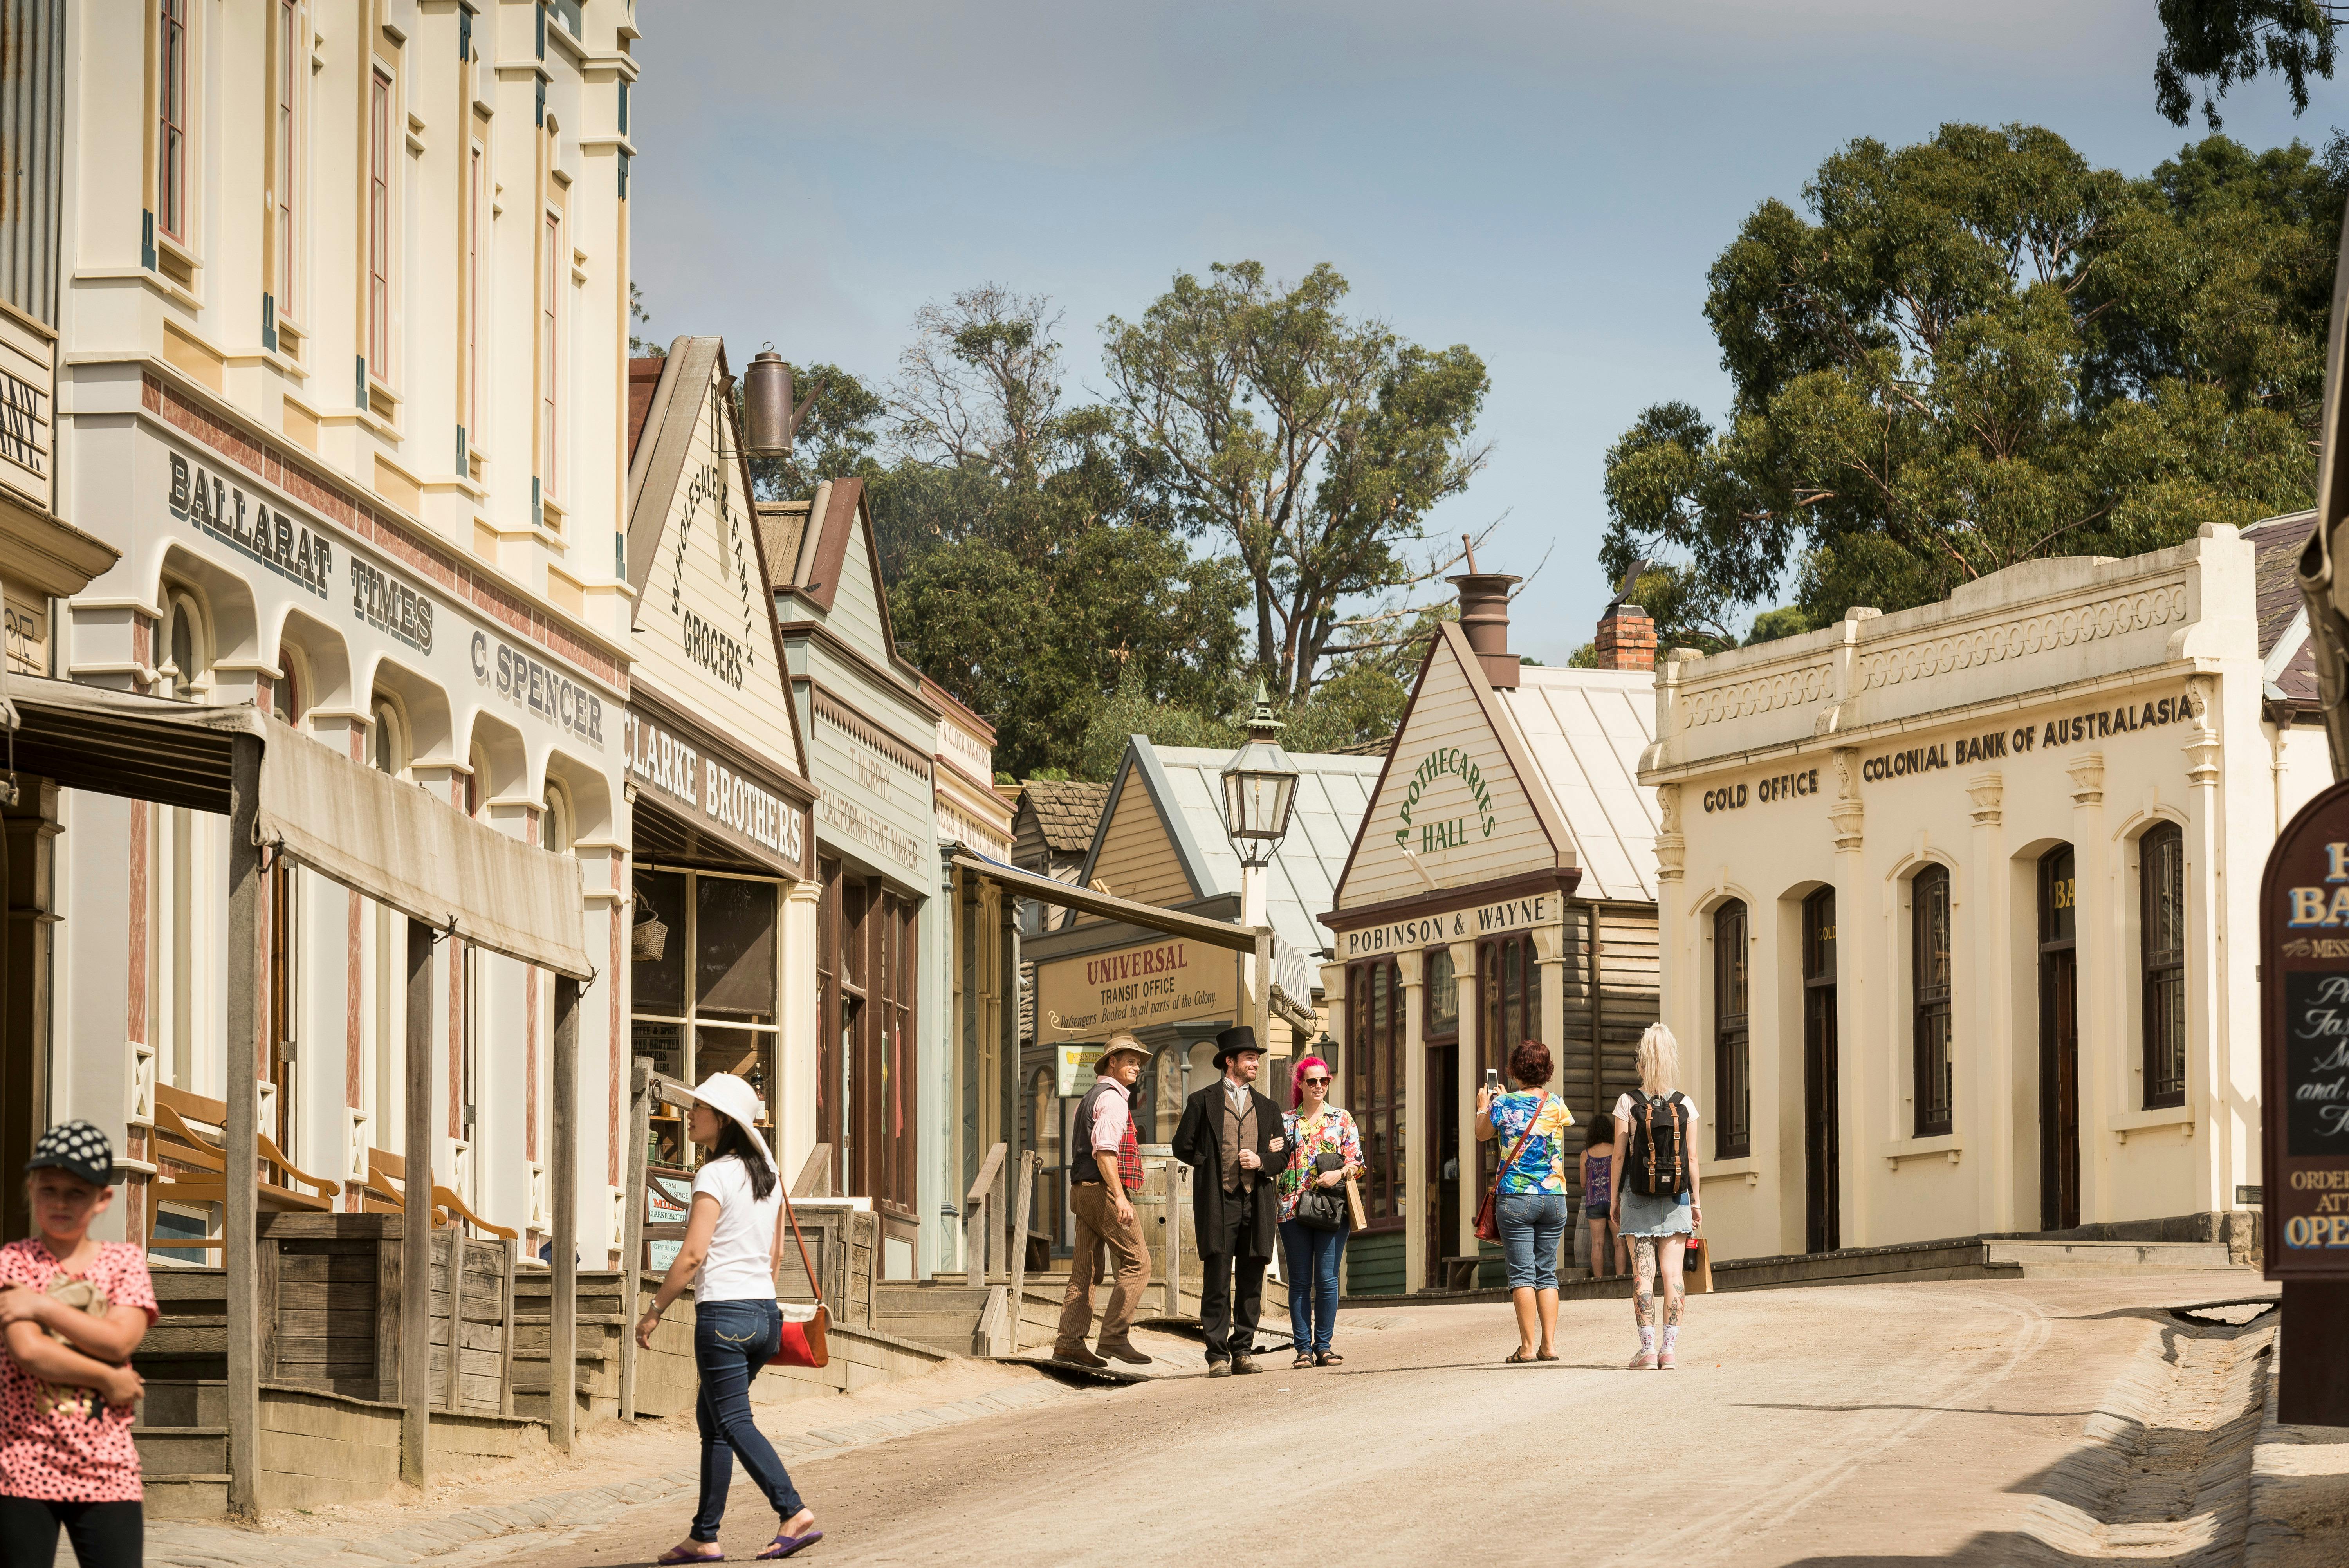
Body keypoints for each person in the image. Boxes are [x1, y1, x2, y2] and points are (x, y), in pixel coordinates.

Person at [635, 1074, 822, 1562]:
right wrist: (757, 1303)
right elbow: (777, 1256)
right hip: (765, 1315)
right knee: (714, 1420)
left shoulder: (714, 1175)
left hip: (723, 1316)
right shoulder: (768, 1177)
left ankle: (793, 1510)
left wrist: (653, 1311)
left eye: (700, 1108)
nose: (691, 1114)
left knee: (733, 1421)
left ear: (724, 1122)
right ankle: (704, 1536)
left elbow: (693, 1255)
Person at [0, 1121, 156, 1568]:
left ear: (103, 1198)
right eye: (49, 1190)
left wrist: (41, 1307)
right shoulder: (14, 1262)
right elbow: (29, 1352)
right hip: (23, 1462)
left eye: (76, 1193)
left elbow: (119, 1338)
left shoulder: (124, 1262)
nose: (61, 1202)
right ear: (31, 1189)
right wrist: (108, 1378)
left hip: (107, 1466)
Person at [1171, 1025, 1286, 1376]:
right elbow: (1182, 1146)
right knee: (1218, 1277)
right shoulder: (1202, 1101)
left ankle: (1243, 1350)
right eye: (1250, 1058)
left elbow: (1282, 1158)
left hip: (1257, 1199)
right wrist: (1210, 1164)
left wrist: (1262, 1161)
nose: (1255, 1063)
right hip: (1219, 1201)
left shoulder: (1268, 1108)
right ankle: (1218, 1355)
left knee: (1252, 1278)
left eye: (1256, 1058)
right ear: (1230, 1062)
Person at [1052, 1034, 1155, 1369]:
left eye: (1139, 1061)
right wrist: (1120, 1196)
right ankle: (1114, 1337)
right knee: (1138, 1262)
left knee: (1087, 1270)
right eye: (1130, 1060)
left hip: (1081, 1190)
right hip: (1100, 1188)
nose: (1137, 1066)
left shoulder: (1091, 1096)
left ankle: (1069, 1342)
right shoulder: (1113, 1100)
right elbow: (1106, 1152)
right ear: (1112, 1062)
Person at [1473, 1040, 1576, 1364]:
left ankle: (1528, 1347)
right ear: (1547, 1071)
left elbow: (1481, 1133)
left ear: (1515, 1070)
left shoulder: (1502, 1104)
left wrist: (1483, 1106)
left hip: (1517, 1198)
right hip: (1554, 1198)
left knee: (1522, 1274)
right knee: (1547, 1272)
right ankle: (1549, 1345)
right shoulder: (1557, 1103)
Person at [1610, 1023, 1703, 1371]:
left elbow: (1619, 1157)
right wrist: (1695, 1202)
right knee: (1673, 1274)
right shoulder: (1686, 1105)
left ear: (1643, 1061)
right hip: (1676, 1198)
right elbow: (1692, 1159)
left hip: (1636, 1196)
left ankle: (1647, 1350)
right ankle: (1669, 1351)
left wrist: (1614, 1198)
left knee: (1643, 1274)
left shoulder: (1627, 1103)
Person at [1277, 1055, 1364, 1369]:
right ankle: (1302, 1349)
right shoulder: (1286, 1121)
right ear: (1300, 1083)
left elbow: (1359, 1162)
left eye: (1324, 1081)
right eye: (1312, 1081)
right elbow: (1272, 1159)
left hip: (1330, 1207)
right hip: (1291, 1209)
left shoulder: (1342, 1119)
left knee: (1327, 1279)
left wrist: (1339, 1173)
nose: (1318, 1086)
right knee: (1300, 1281)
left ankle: (1324, 1347)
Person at [1580, 1117, 1623, 1280]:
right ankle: (1620, 1278)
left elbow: (1584, 1183)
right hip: (1615, 1202)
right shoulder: (1616, 1151)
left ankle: (1599, 1280)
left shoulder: (1586, 1154)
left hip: (1594, 1203)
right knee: (1619, 1242)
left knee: (1598, 1244)